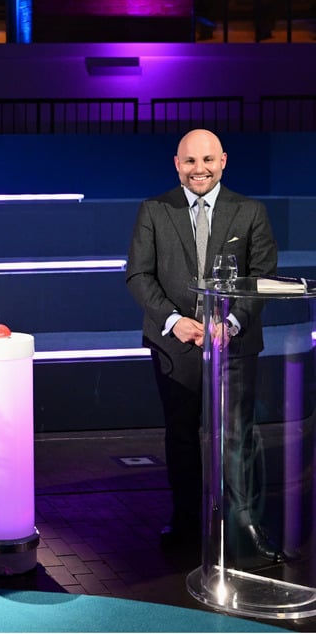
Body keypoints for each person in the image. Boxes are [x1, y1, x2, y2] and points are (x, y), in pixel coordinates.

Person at [126, 129, 281, 558]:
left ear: (224, 161)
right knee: (181, 435)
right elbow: (138, 275)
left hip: (234, 343)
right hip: (176, 346)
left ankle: (246, 523)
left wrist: (230, 323)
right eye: (191, 161)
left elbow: (262, 276)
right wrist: (174, 322)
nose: (200, 169)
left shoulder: (250, 211)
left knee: (237, 435)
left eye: (208, 160)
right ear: (177, 164)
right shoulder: (154, 210)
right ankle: (187, 519)